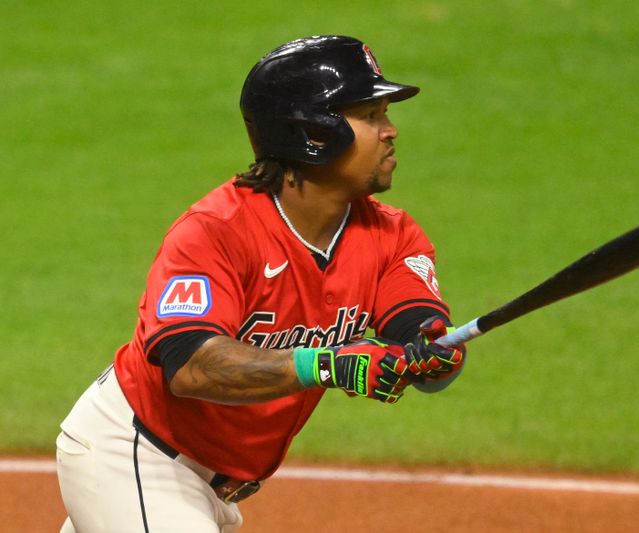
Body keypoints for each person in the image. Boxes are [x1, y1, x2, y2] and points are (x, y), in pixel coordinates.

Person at [55, 35, 466, 532]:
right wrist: (331, 364)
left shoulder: (393, 236)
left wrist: (433, 353)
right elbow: (191, 368)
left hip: (209, 487)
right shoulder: (216, 232)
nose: (390, 131)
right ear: (314, 132)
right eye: (371, 115)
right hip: (136, 456)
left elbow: (419, 338)